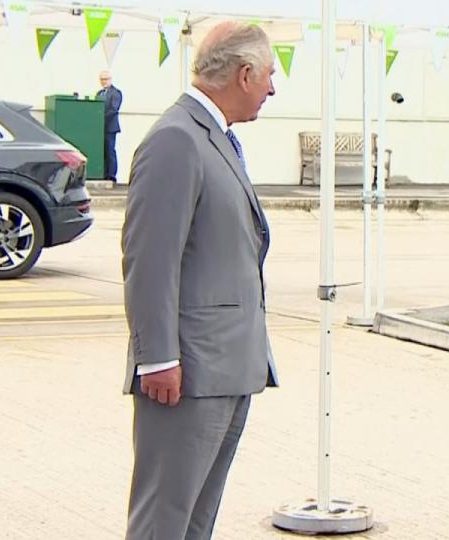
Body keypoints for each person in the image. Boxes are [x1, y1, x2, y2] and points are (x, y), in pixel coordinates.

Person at [121, 21, 278, 539]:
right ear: (244, 72)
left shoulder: (214, 138)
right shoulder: (176, 139)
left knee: (194, 523)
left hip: (226, 368)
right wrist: (157, 358)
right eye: (269, 77)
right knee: (163, 521)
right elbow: (149, 260)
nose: (272, 90)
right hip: (186, 373)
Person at [97, 70, 122, 184]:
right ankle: (103, 173)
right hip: (99, 127)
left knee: (110, 150)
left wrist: (102, 117)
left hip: (110, 127)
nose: (104, 82)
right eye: (102, 79)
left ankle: (111, 175)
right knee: (102, 151)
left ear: (110, 79)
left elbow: (113, 109)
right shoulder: (99, 93)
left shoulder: (116, 93)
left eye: (106, 79)